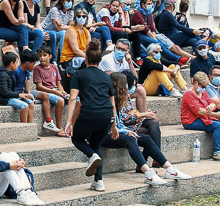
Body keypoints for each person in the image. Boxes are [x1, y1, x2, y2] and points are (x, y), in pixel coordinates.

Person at [100, 71, 190, 185]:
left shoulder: (118, 101)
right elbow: (107, 125)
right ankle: (148, 173)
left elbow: (119, 123)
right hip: (103, 135)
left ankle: (170, 169)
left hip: (117, 132)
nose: (129, 89)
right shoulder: (105, 101)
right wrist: (125, 131)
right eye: (126, 86)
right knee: (130, 139)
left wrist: (125, 130)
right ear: (119, 87)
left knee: (146, 138)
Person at [65, 40, 119, 190]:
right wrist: (114, 125)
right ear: (99, 60)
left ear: (86, 59)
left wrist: (69, 122)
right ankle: (98, 181)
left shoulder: (79, 74)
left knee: (77, 139)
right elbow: (112, 102)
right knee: (96, 145)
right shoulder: (106, 77)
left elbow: (73, 98)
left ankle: (92, 156)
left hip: (89, 113)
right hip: (106, 115)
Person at [181, 72, 220, 161]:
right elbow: (198, 111)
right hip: (191, 121)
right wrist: (215, 114)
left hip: (203, 118)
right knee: (218, 125)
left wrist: (212, 105)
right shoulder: (189, 94)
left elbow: (211, 102)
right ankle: (217, 152)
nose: (204, 88)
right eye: (202, 86)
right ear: (196, 83)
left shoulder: (203, 92)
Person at [0, 49, 35, 124]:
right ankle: (24, 127)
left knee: (30, 102)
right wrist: (19, 95)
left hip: (8, 96)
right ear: (11, 63)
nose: (18, 65)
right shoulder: (2, 75)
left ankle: (30, 125)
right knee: (24, 106)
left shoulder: (10, 73)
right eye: (17, 62)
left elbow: (11, 90)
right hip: (2, 99)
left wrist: (23, 95)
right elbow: (4, 92)